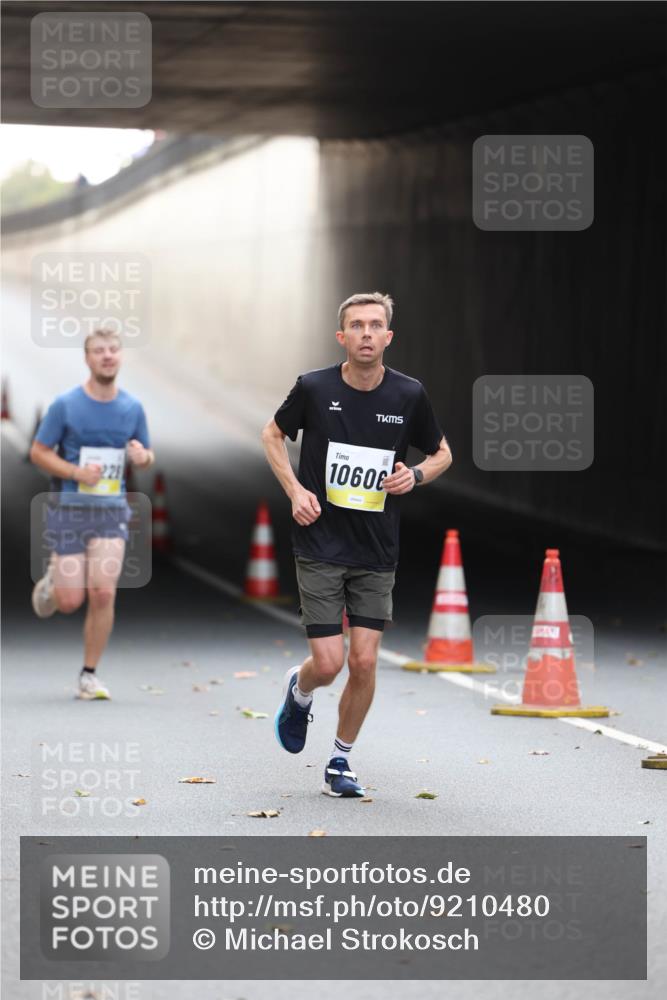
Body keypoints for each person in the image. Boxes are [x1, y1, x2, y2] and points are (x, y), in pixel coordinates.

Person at [262, 292, 452, 797]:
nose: (366, 333)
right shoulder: (315, 387)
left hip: (375, 548)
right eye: (356, 325)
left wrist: (415, 474)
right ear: (341, 336)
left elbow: (442, 453)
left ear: (388, 336)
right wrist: (296, 491)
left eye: (375, 325)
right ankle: (300, 692)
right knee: (329, 663)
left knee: (364, 661)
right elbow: (271, 435)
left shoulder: (409, 395)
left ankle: (340, 762)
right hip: (320, 541)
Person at [30, 328, 154, 700]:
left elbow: (147, 455)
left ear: (121, 357)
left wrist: (141, 456)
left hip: (111, 511)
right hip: (70, 510)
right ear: (87, 358)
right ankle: (55, 583)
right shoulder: (66, 405)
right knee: (70, 601)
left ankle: (89, 675)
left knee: (102, 593)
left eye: (113, 350)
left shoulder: (132, 407)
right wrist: (74, 473)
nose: (107, 356)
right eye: (99, 350)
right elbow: (38, 451)